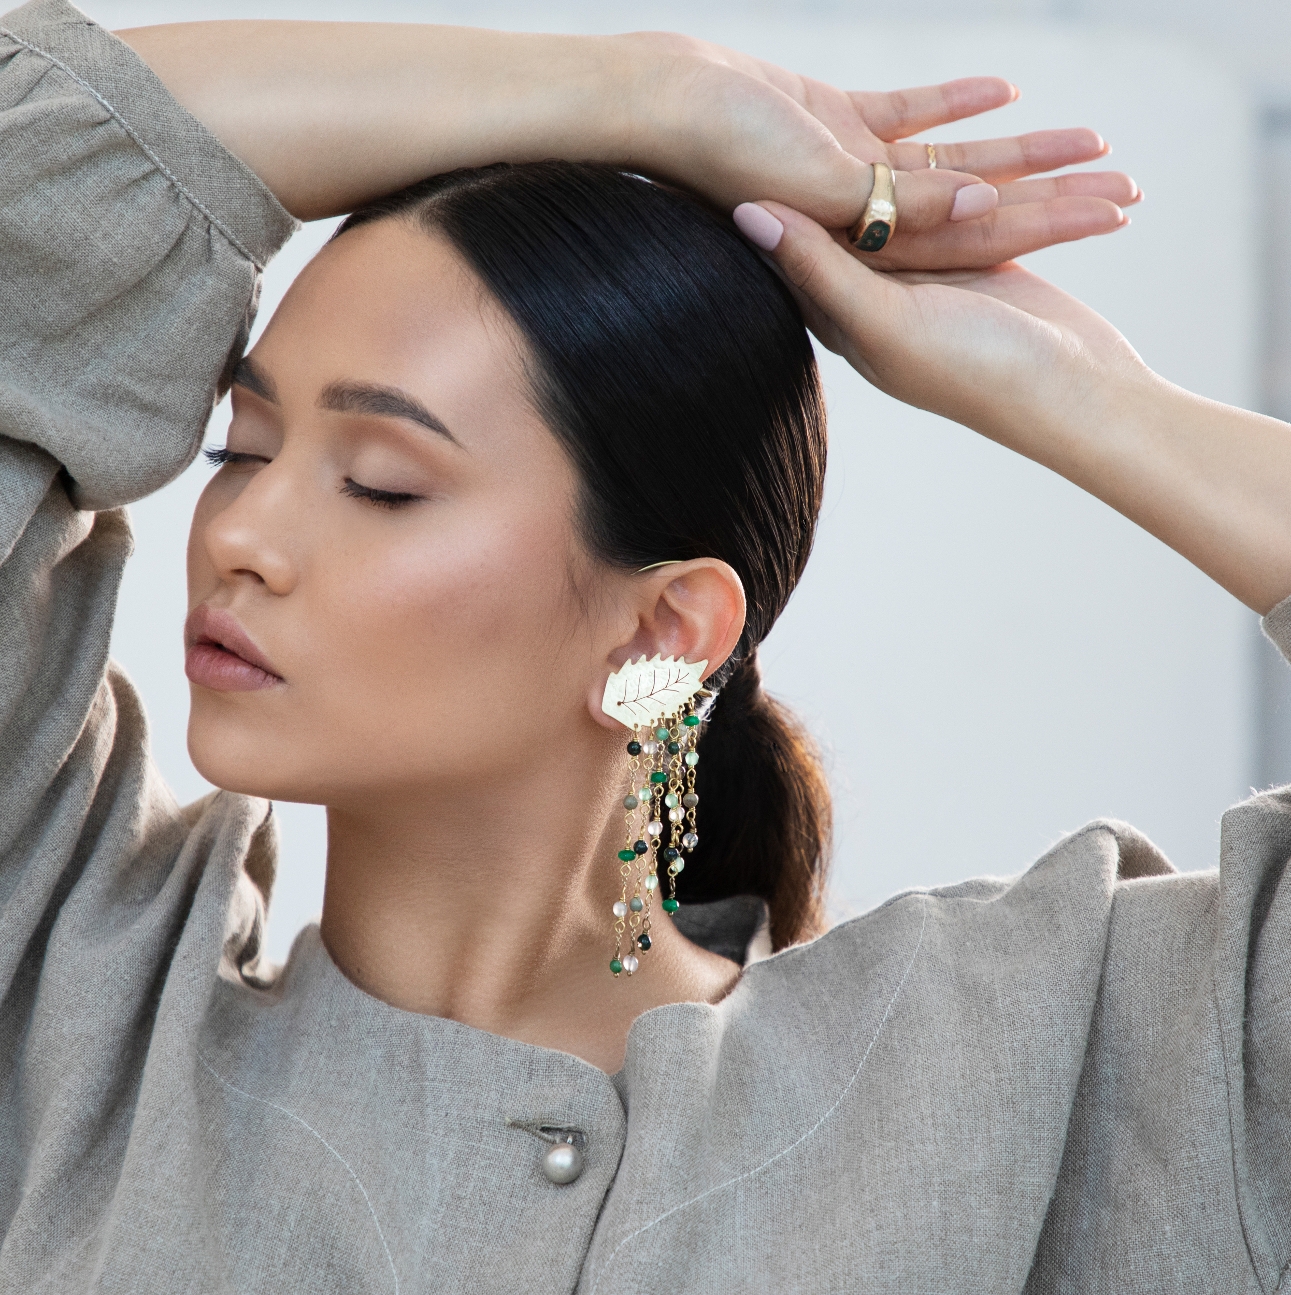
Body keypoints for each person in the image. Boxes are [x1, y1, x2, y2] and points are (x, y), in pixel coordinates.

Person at [4, 0, 1261, 1291]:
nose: (238, 532)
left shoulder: (1025, 1071)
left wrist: (1091, 401)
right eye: (242, 449)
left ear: (662, 633)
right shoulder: (75, 1006)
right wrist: (654, 98)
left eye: (381, 480)